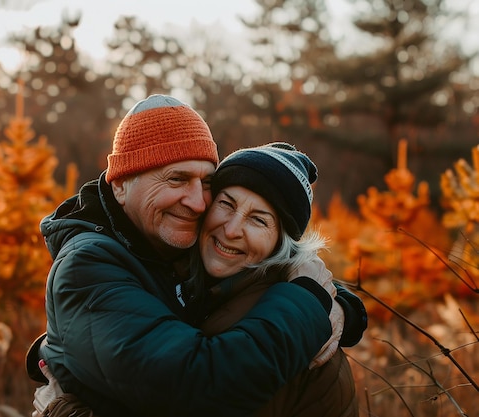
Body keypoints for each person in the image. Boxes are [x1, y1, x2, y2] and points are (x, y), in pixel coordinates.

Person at [26, 95, 366, 417]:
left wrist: (337, 305)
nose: (198, 202)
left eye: (206, 182)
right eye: (177, 179)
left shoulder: (170, 246)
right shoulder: (89, 263)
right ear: (120, 184)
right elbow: (198, 384)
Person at [191, 142, 361, 416]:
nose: (232, 229)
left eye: (258, 220)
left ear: (281, 244)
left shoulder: (305, 343)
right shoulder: (165, 277)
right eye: (226, 204)